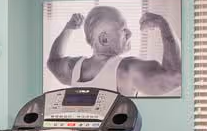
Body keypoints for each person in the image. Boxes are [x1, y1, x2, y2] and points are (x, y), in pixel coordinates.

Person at [46, 5, 181, 96]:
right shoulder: (126, 69)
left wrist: (68, 28)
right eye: (123, 29)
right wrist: (163, 24)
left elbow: (53, 61)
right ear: (104, 39)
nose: (130, 33)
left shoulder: (73, 69)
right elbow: (175, 76)